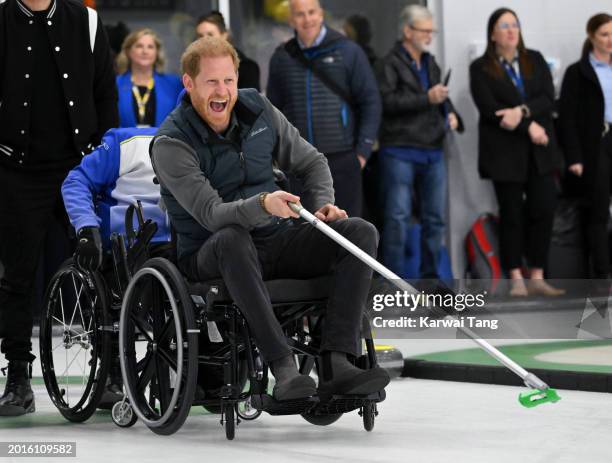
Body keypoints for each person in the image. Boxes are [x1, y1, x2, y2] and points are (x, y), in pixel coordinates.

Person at [151, 36, 390, 401]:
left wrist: (324, 205)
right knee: (232, 236)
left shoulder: (258, 109)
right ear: (188, 83)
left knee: (359, 232)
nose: (223, 91)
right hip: (209, 251)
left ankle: (339, 361)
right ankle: (283, 367)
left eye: (228, 81)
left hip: (275, 236)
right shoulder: (172, 142)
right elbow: (212, 215)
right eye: (211, 82)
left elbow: (313, 163)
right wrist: (262, 203)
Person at [0, 0, 118, 416]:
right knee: (15, 276)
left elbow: (105, 93)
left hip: (79, 169)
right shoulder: (0, 19)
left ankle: (108, 374)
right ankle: (18, 376)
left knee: (98, 270)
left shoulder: (85, 20)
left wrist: (106, 160)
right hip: (17, 170)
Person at [469, 7, 564, 297]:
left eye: (515, 25)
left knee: (544, 209)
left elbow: (547, 98)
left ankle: (537, 273)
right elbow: (491, 110)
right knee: (511, 214)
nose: (511, 30)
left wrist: (522, 114)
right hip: (506, 154)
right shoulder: (481, 68)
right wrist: (529, 126)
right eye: (504, 26)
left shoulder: (533, 59)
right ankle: (515, 277)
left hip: (539, 151)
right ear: (493, 34)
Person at [267, 0, 381, 218]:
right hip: (298, 164)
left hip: (342, 159)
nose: (307, 19)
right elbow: (273, 110)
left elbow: (370, 101)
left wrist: (362, 153)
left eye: (312, 12)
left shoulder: (348, 51)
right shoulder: (282, 57)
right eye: (300, 14)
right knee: (303, 235)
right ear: (291, 19)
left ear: (321, 15)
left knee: (347, 232)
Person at [377, 5, 463, 280]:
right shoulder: (387, 64)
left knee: (435, 220)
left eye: (431, 31)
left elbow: (440, 98)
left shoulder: (430, 62)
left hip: (432, 150)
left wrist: (451, 115)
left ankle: (431, 283)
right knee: (397, 221)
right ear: (407, 31)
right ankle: (394, 286)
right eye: (425, 30)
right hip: (399, 150)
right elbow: (386, 103)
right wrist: (428, 97)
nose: (429, 36)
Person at [559, 13, 612, 279]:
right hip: (596, 143)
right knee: (598, 211)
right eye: (604, 34)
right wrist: (574, 157)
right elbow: (566, 119)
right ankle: (602, 274)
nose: (610, 39)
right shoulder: (577, 72)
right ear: (591, 37)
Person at [115, 28, 183, 128]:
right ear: (128, 51)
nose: (145, 51)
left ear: (157, 53)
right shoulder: (114, 84)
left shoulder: (175, 84)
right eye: (139, 46)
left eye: (150, 47)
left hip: (163, 142)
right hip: (123, 142)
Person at [195, 10, 260, 91]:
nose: (205, 40)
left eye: (210, 34)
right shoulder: (195, 67)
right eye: (200, 36)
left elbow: (250, 101)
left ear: (224, 35)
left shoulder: (246, 67)